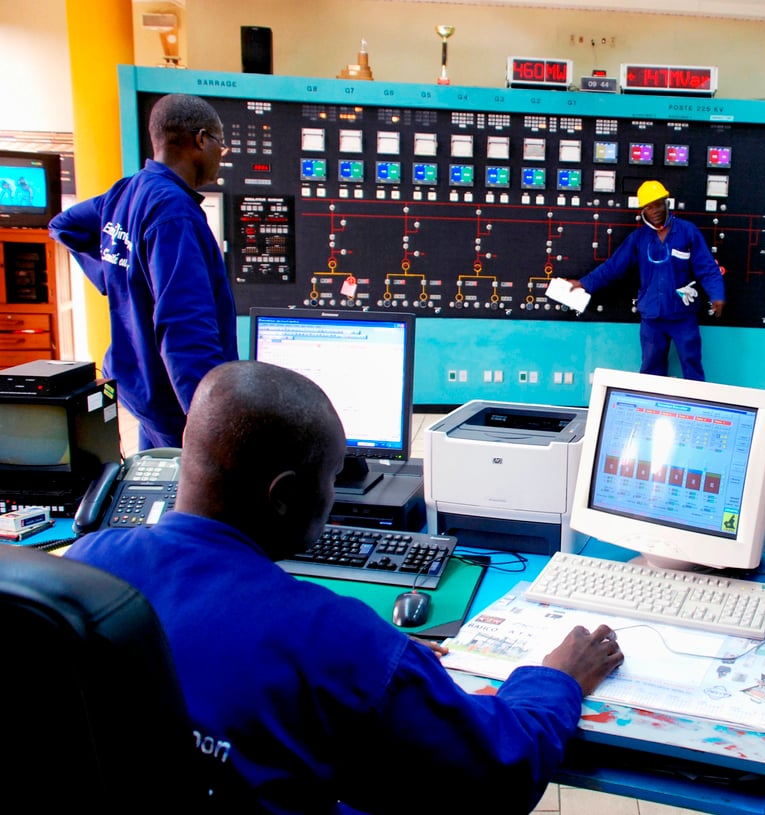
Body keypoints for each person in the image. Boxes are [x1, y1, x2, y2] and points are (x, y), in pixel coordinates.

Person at [66, 360, 624, 814]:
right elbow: (497, 776)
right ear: (282, 496)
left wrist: (384, 663)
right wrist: (557, 680)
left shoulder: (87, 568)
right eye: (333, 477)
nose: (335, 496)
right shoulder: (331, 639)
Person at [50, 93, 238, 450]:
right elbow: (184, 331)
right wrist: (214, 429)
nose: (220, 157)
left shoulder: (127, 191)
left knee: (156, 488)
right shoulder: (174, 214)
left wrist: (119, 276)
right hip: (174, 403)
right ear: (200, 140)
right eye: (220, 146)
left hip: (140, 386)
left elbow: (65, 225)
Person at [566, 180, 725, 380]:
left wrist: (717, 294)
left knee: (692, 365)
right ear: (643, 211)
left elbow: (707, 268)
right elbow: (614, 266)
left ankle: (695, 409)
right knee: (651, 369)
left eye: (658, 204)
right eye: (649, 206)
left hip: (683, 315)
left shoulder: (687, 232)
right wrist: (584, 283)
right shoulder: (639, 238)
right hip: (652, 317)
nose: (655, 210)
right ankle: (650, 409)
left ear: (666, 203)